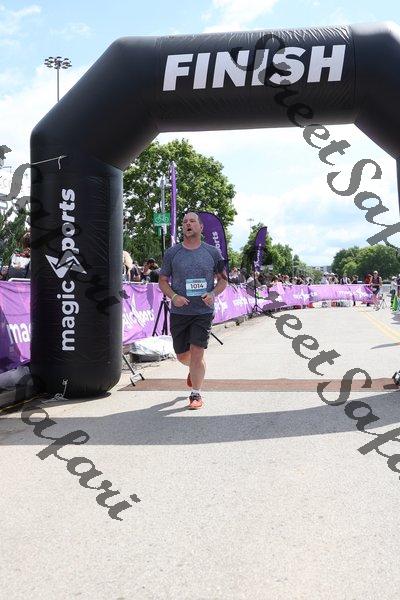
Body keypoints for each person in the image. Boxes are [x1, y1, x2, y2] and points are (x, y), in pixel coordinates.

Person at [159, 212, 227, 410]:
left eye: (192, 221)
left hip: (203, 312)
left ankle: (196, 393)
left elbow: (223, 280)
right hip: (180, 312)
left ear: (201, 227)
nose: (187, 224)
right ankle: (194, 368)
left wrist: (213, 294)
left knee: (197, 352)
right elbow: (163, 281)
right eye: (184, 222)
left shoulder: (213, 252)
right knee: (182, 356)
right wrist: (174, 297)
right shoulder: (172, 253)